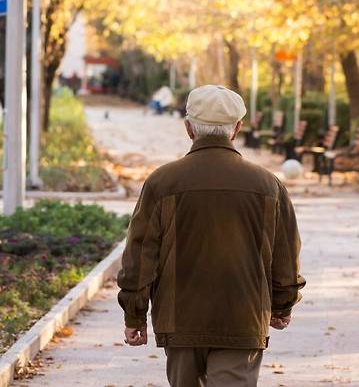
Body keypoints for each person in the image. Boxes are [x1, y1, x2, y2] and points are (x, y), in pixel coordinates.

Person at [117, 85, 305, 386]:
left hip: (180, 320)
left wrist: (134, 314)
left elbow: (140, 255)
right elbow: (285, 252)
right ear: (237, 129)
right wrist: (283, 303)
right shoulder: (268, 185)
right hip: (243, 319)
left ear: (189, 128)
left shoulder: (162, 182)